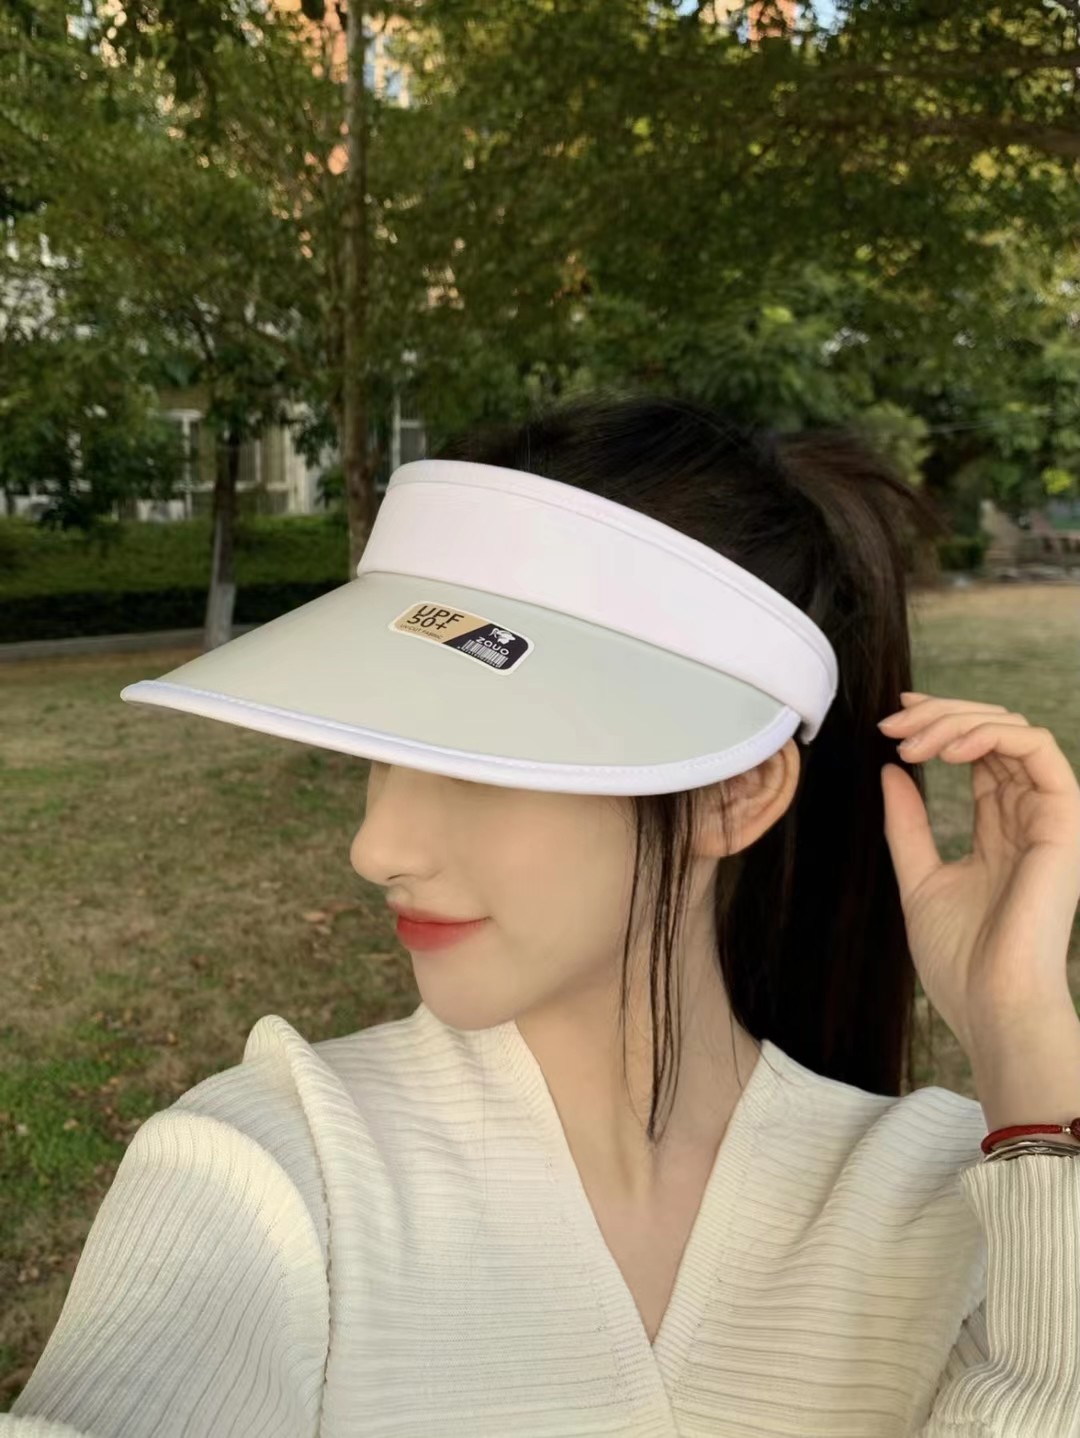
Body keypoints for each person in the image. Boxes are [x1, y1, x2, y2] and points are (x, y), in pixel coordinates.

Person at [6, 392, 1080, 1437]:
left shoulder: (983, 1203)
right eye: (383, 746)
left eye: (478, 758)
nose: (377, 846)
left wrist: (1023, 1034)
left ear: (732, 794)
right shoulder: (277, 1170)